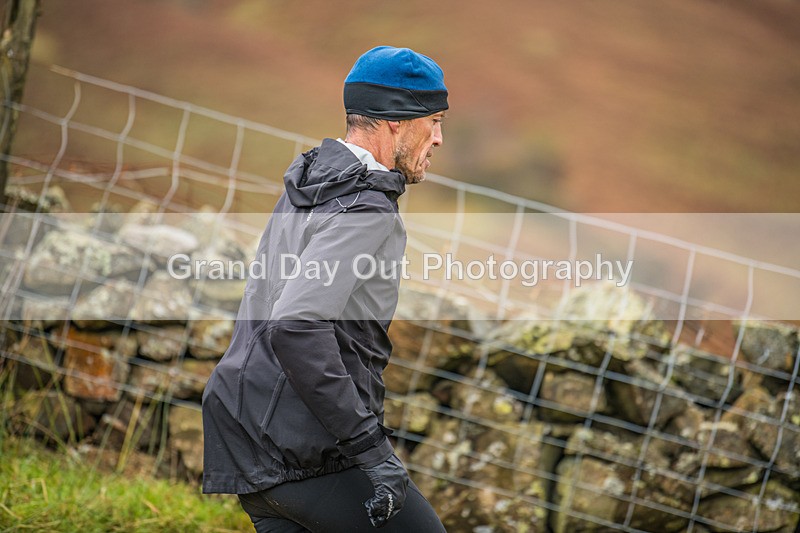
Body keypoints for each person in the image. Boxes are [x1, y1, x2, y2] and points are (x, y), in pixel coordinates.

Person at [201, 46, 448, 532]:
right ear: (397, 120)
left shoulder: (311, 180)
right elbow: (296, 324)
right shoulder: (366, 209)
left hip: (249, 435)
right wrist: (372, 453)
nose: (439, 138)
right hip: (307, 450)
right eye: (434, 121)